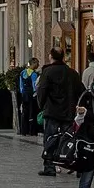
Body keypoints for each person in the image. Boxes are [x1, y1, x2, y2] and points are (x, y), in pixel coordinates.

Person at [36, 47, 80, 176]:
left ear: (51, 56)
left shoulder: (48, 72)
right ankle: (68, 161)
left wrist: (41, 105)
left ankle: (49, 167)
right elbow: (80, 90)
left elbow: (42, 90)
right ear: (63, 57)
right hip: (69, 112)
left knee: (50, 138)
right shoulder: (72, 73)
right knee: (68, 138)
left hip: (52, 111)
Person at [16, 58, 40, 137]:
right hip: (32, 95)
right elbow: (35, 85)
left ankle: (23, 131)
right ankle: (32, 131)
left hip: (24, 95)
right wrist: (35, 94)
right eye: (37, 63)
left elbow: (21, 85)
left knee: (24, 112)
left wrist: (22, 93)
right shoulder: (34, 74)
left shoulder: (22, 73)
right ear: (33, 64)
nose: (38, 65)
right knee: (32, 112)